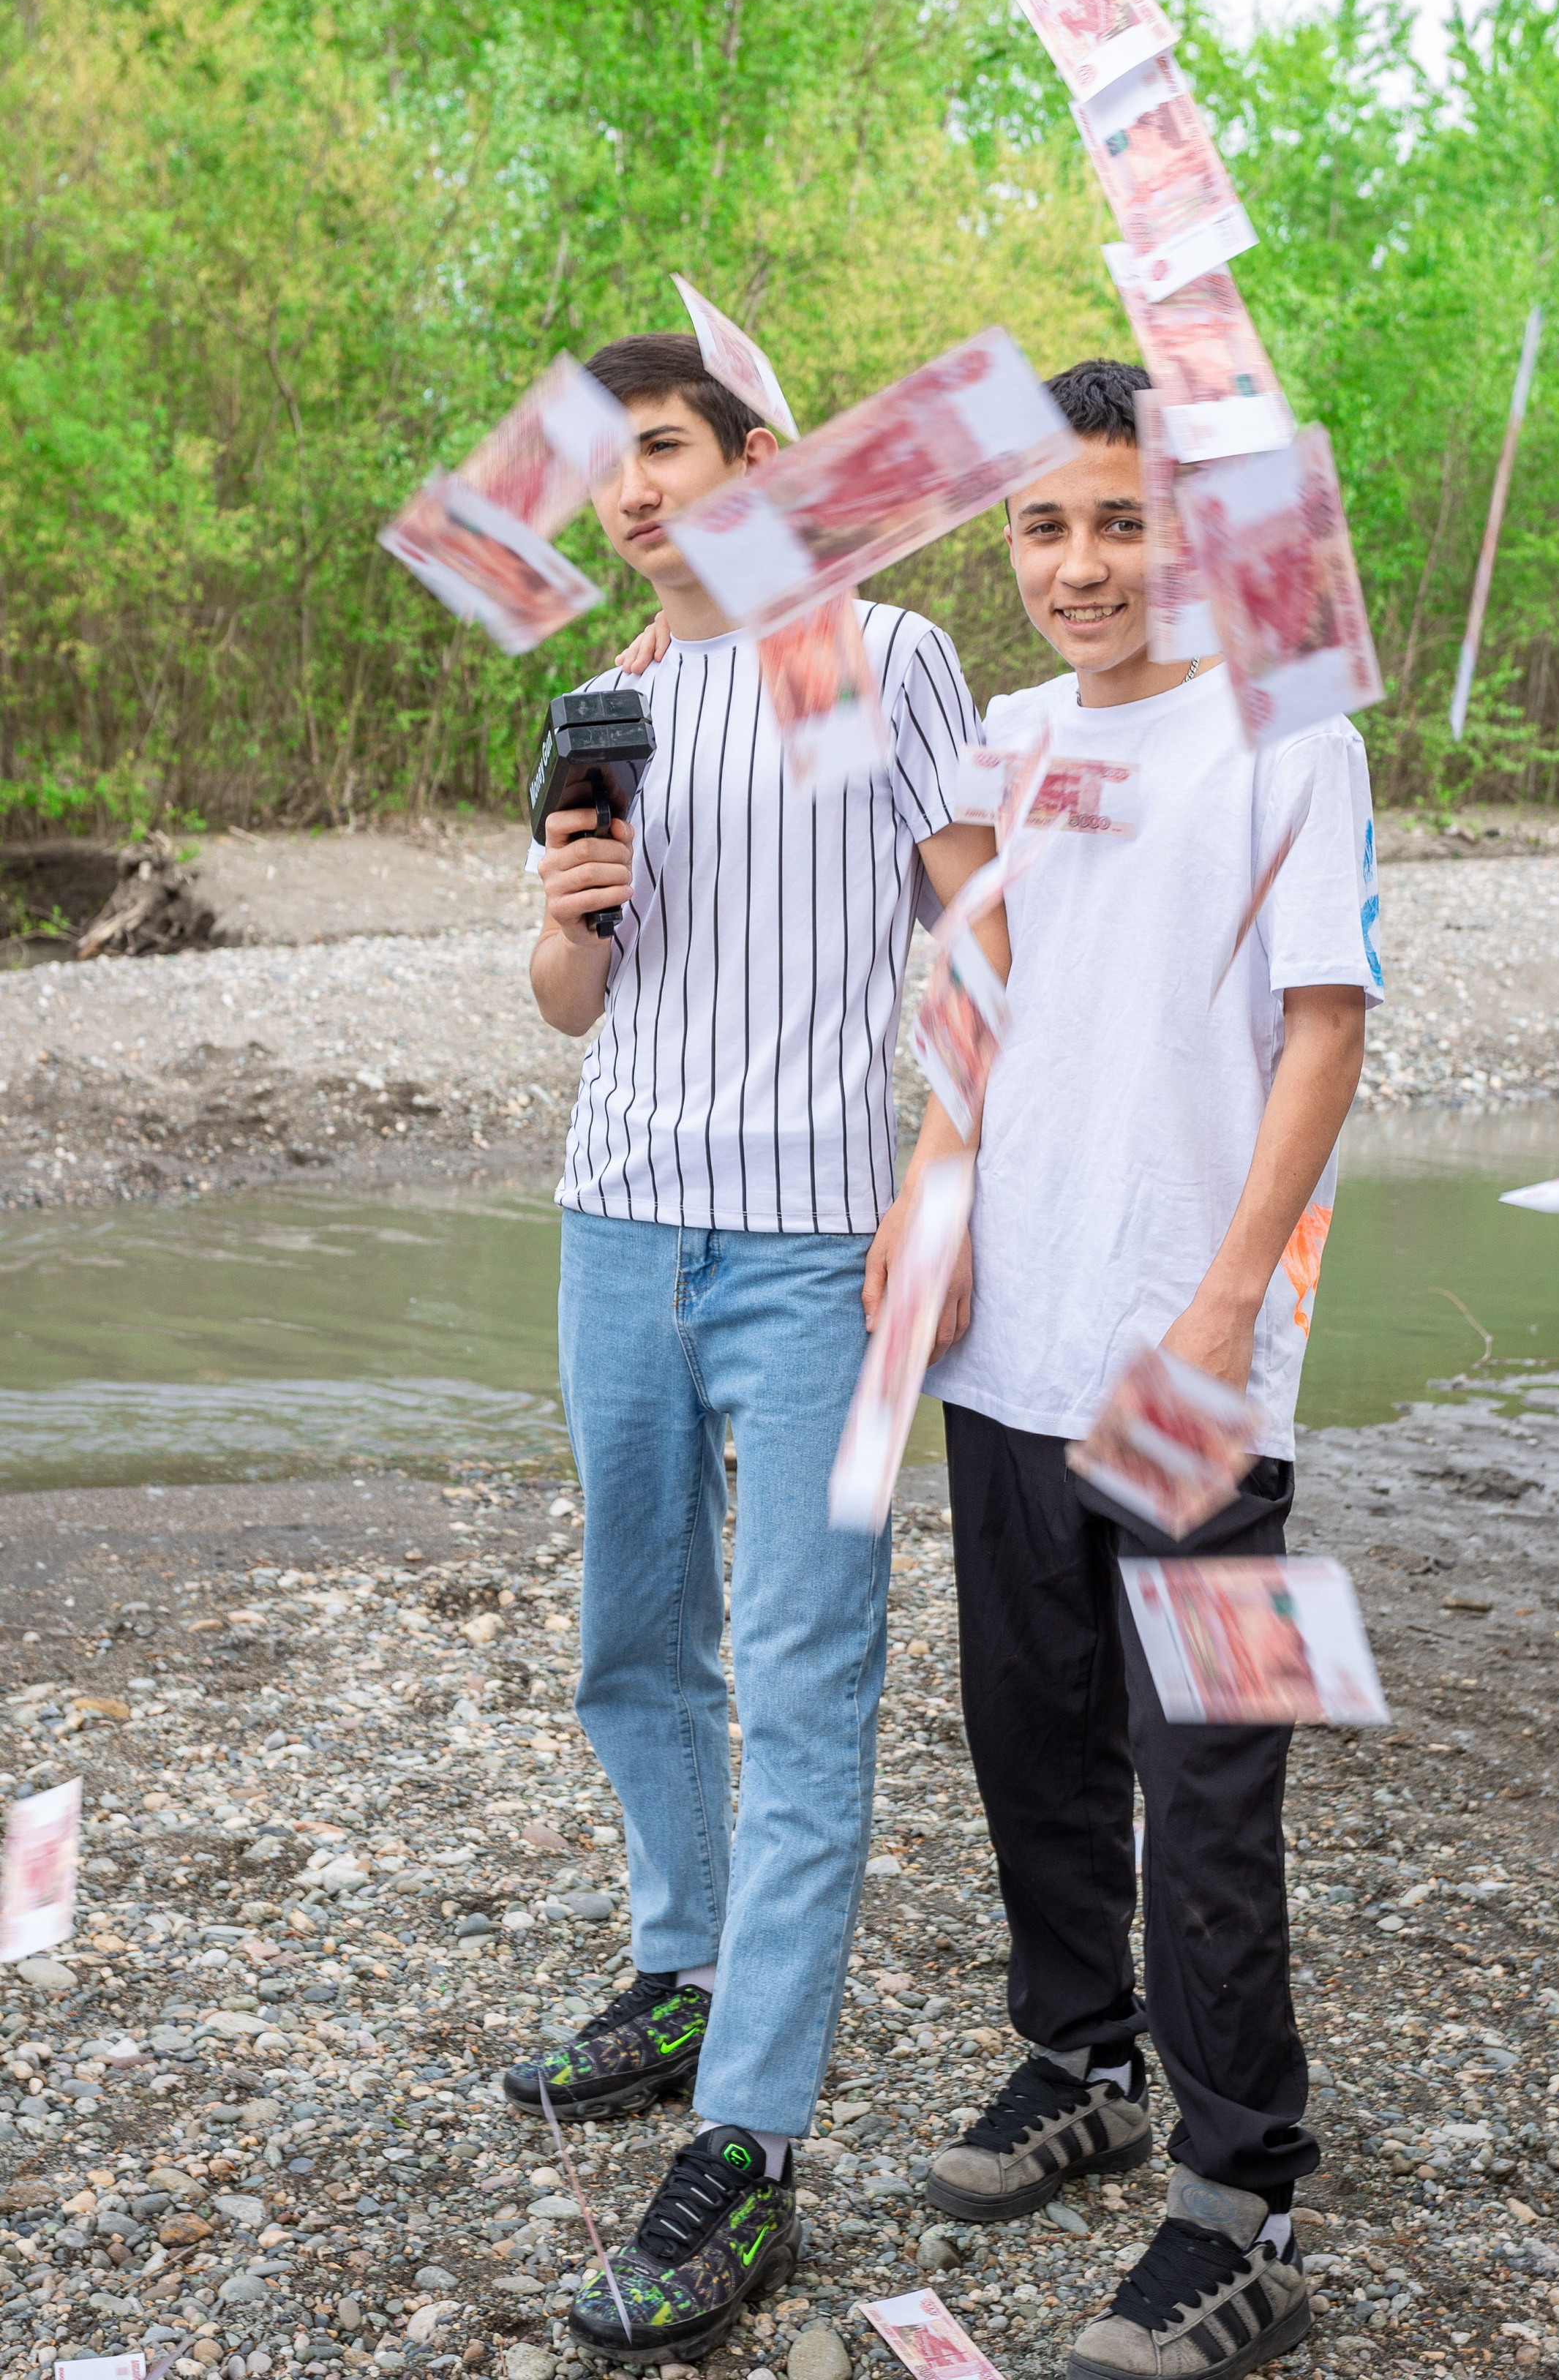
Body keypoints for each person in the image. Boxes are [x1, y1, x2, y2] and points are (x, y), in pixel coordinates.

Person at [876, 356, 1382, 2380]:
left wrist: (1228, 1299)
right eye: (1044, 525)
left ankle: (1243, 2192)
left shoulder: (1290, 728)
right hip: (1009, 1343)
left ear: (1197, 529)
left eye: (1122, 518)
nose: (1081, 564)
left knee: (1215, 1787)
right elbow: (975, 986)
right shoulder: (1004, 735)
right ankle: (1075, 2057)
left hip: (1201, 1363)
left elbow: (1327, 1029)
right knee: (1033, 1732)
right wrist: (932, 1200)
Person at [513, 329, 999, 2365]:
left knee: (808, 1684)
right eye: (608, 468)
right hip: (616, 1224)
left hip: (819, 1254)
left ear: (755, 459)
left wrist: (948, 1173)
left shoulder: (888, 656)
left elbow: (977, 927)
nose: (634, 494)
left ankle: (747, 2146)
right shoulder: (608, 697)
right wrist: (571, 896)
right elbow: (561, 997)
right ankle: (678, 1961)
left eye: (667, 452)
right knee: (638, 1637)